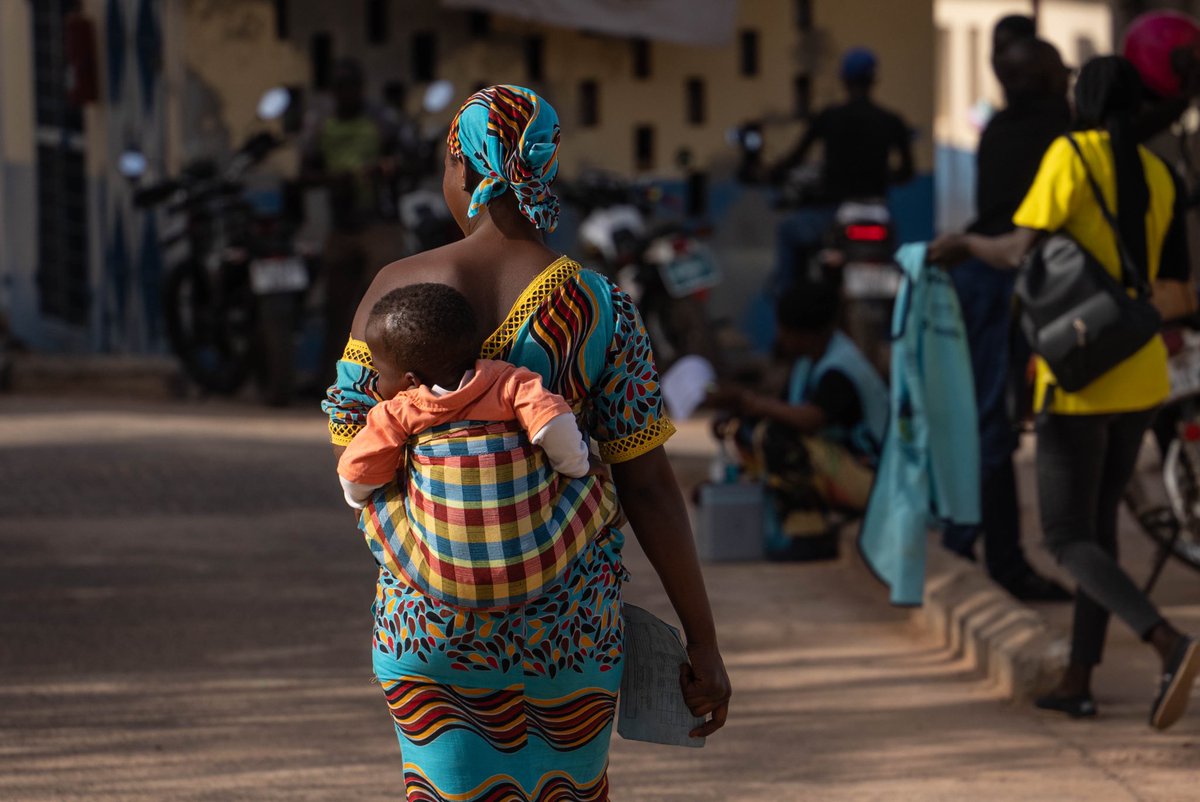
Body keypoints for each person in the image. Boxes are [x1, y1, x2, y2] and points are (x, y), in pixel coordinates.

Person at [323, 85, 730, 798]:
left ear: (461, 163)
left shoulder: (393, 288)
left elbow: (353, 440)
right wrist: (702, 640)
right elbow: (650, 485)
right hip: (570, 629)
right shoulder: (598, 304)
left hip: (429, 627)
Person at [930, 56, 1199, 728]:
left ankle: (1166, 640)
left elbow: (1020, 250)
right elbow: (1172, 282)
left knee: (1065, 536)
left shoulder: (1071, 156)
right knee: (1097, 531)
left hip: (1078, 374)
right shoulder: (1162, 173)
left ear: (1081, 102)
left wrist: (966, 243)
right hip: (1140, 375)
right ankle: (1078, 680)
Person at [941, 33, 1074, 601]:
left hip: (981, 282)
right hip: (1004, 283)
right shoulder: (1058, 131)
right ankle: (994, 556)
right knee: (993, 426)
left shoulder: (998, 126)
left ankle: (969, 542)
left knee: (979, 419)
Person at [336, 283, 590, 510]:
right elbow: (553, 423)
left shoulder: (396, 413)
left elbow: (357, 475)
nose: (378, 381)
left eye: (380, 372)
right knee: (597, 490)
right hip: (532, 546)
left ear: (412, 381)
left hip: (440, 558)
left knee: (377, 508)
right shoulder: (510, 383)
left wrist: (357, 499)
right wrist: (576, 467)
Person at [717, 282, 888, 558]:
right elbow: (783, 406)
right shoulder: (811, 361)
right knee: (752, 431)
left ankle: (810, 534)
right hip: (852, 469)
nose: (780, 337)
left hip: (877, 479)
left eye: (785, 330)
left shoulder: (839, 369)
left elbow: (810, 420)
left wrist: (757, 404)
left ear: (805, 334)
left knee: (777, 438)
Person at [769, 47, 914, 295]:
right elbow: (907, 172)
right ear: (873, 80)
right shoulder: (891, 120)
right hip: (878, 211)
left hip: (833, 212)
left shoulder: (829, 117)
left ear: (844, 80)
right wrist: (884, 176)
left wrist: (772, 173)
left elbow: (794, 159)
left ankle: (789, 309)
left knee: (787, 231)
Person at [302, 58, 408, 374]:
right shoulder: (322, 124)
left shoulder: (382, 120)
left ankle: (387, 376)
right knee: (337, 307)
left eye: (351, 86)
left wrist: (383, 169)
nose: (346, 93)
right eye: (340, 87)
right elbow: (305, 172)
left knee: (384, 307)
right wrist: (334, 179)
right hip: (342, 225)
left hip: (379, 224)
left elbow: (409, 158)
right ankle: (332, 379)